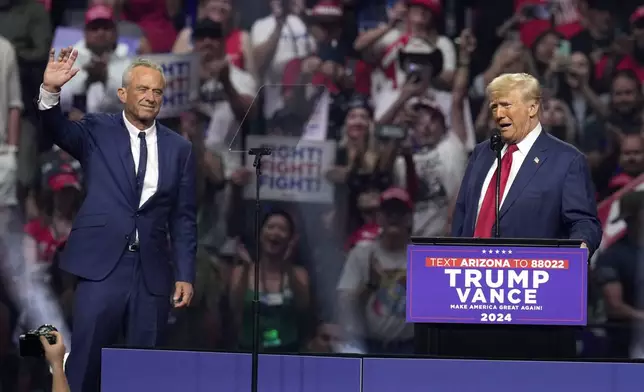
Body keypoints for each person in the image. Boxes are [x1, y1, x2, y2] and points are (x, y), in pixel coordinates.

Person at [36, 47, 197, 392]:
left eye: (157, 91)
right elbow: (58, 130)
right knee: (84, 366)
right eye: (143, 89)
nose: (151, 97)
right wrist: (50, 91)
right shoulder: (98, 130)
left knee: (143, 375)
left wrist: (185, 274)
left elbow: (183, 218)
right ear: (123, 93)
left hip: (151, 274)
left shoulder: (179, 149)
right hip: (102, 267)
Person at [446, 72, 602, 359]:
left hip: (531, 306)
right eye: (494, 107)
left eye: (506, 105)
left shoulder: (566, 160)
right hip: (470, 301)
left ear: (532, 107)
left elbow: (584, 222)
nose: (498, 114)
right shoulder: (483, 154)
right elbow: (463, 219)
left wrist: (579, 249)